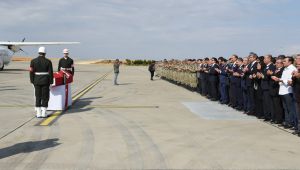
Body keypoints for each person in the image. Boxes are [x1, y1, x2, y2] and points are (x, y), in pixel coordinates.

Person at [273, 57, 297, 129]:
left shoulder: (292, 69)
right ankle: (287, 121)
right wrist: (279, 79)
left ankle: (291, 122)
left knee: (290, 108)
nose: (283, 62)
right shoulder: (285, 69)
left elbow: (290, 80)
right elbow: (284, 78)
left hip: (288, 91)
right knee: (285, 108)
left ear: (290, 62)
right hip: (283, 90)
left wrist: (280, 80)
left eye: (284, 61)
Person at [29, 47, 53, 118]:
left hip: (36, 81)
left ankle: (38, 113)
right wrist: (51, 82)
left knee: (38, 96)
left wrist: (32, 81)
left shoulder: (33, 61)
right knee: (45, 97)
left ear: (38, 52)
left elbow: (31, 72)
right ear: (45, 53)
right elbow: (50, 73)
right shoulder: (48, 61)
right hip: (45, 81)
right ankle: (44, 113)